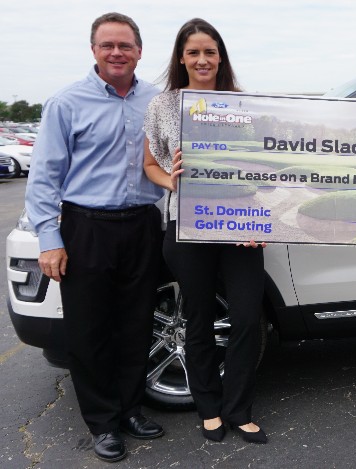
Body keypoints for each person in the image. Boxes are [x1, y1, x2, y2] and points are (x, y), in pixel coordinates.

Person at [25, 12, 164, 463]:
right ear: (94, 51)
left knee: (137, 323)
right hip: (86, 228)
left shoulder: (159, 102)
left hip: (143, 224)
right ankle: (102, 421)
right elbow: (44, 177)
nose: (117, 53)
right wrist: (50, 238)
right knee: (89, 330)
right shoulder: (66, 103)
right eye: (108, 45)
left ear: (140, 51)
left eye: (125, 45)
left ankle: (130, 410)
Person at [143, 18, 267, 444]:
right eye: (193, 52)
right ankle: (209, 408)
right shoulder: (163, 105)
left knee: (249, 317)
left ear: (221, 57)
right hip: (189, 226)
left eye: (209, 52)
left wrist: (264, 220)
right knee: (197, 320)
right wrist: (172, 181)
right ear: (181, 57)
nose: (202, 59)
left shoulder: (243, 104)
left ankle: (239, 409)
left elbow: (262, 165)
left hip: (240, 225)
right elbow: (150, 165)